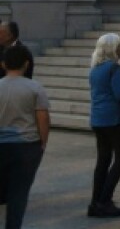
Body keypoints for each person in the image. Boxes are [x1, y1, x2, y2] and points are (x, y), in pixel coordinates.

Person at [0, 44, 48, 229]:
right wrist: (42, 142)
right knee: (18, 195)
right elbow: (42, 118)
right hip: (26, 145)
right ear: (26, 65)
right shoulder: (35, 88)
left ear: (3, 64)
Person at [87, 34, 120, 218]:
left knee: (103, 159)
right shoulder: (113, 67)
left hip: (98, 118)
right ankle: (105, 199)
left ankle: (95, 201)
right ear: (113, 48)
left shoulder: (95, 68)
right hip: (113, 118)